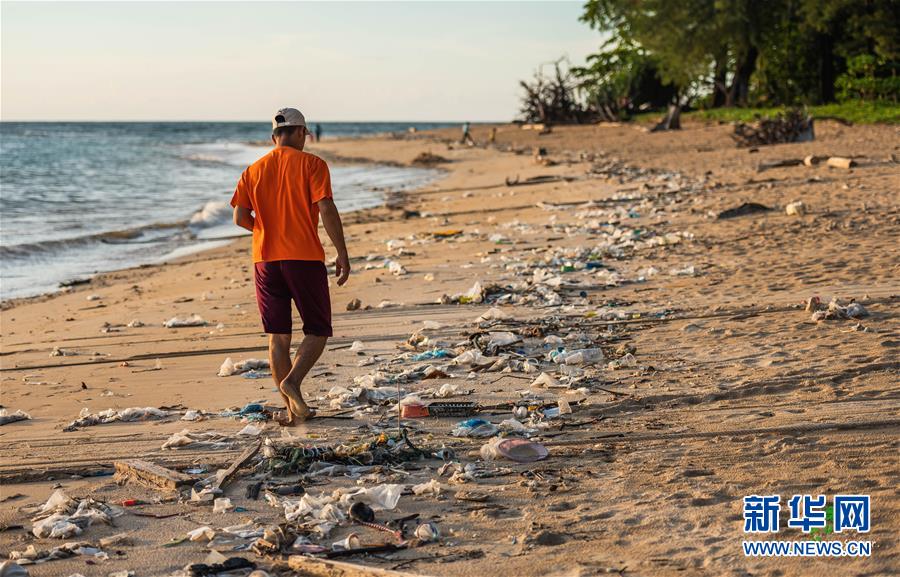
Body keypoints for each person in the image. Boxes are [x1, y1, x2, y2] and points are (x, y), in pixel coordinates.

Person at [231, 107, 350, 425]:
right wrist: (342, 252)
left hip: (265, 260)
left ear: (273, 138)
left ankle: (290, 409)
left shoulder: (253, 170)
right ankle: (293, 381)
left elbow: (241, 218)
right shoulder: (313, 164)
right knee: (318, 329)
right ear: (300, 133)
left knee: (278, 337)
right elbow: (326, 207)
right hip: (304, 258)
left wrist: (266, 230)